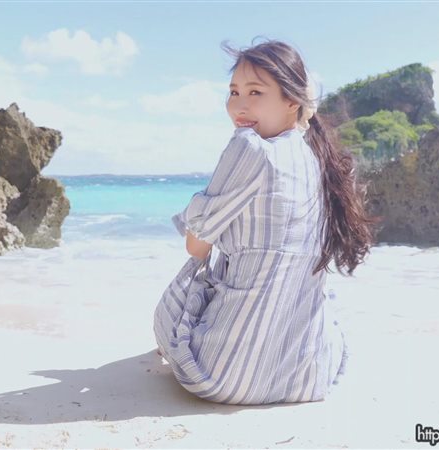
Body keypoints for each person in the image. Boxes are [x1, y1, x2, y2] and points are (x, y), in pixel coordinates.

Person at [153, 38, 380, 405]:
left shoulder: (249, 147)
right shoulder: (322, 163)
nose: (238, 106)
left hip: (223, 376)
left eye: (255, 92)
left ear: (293, 100)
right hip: (309, 379)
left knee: (170, 311)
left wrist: (215, 219)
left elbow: (195, 247)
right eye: (233, 92)